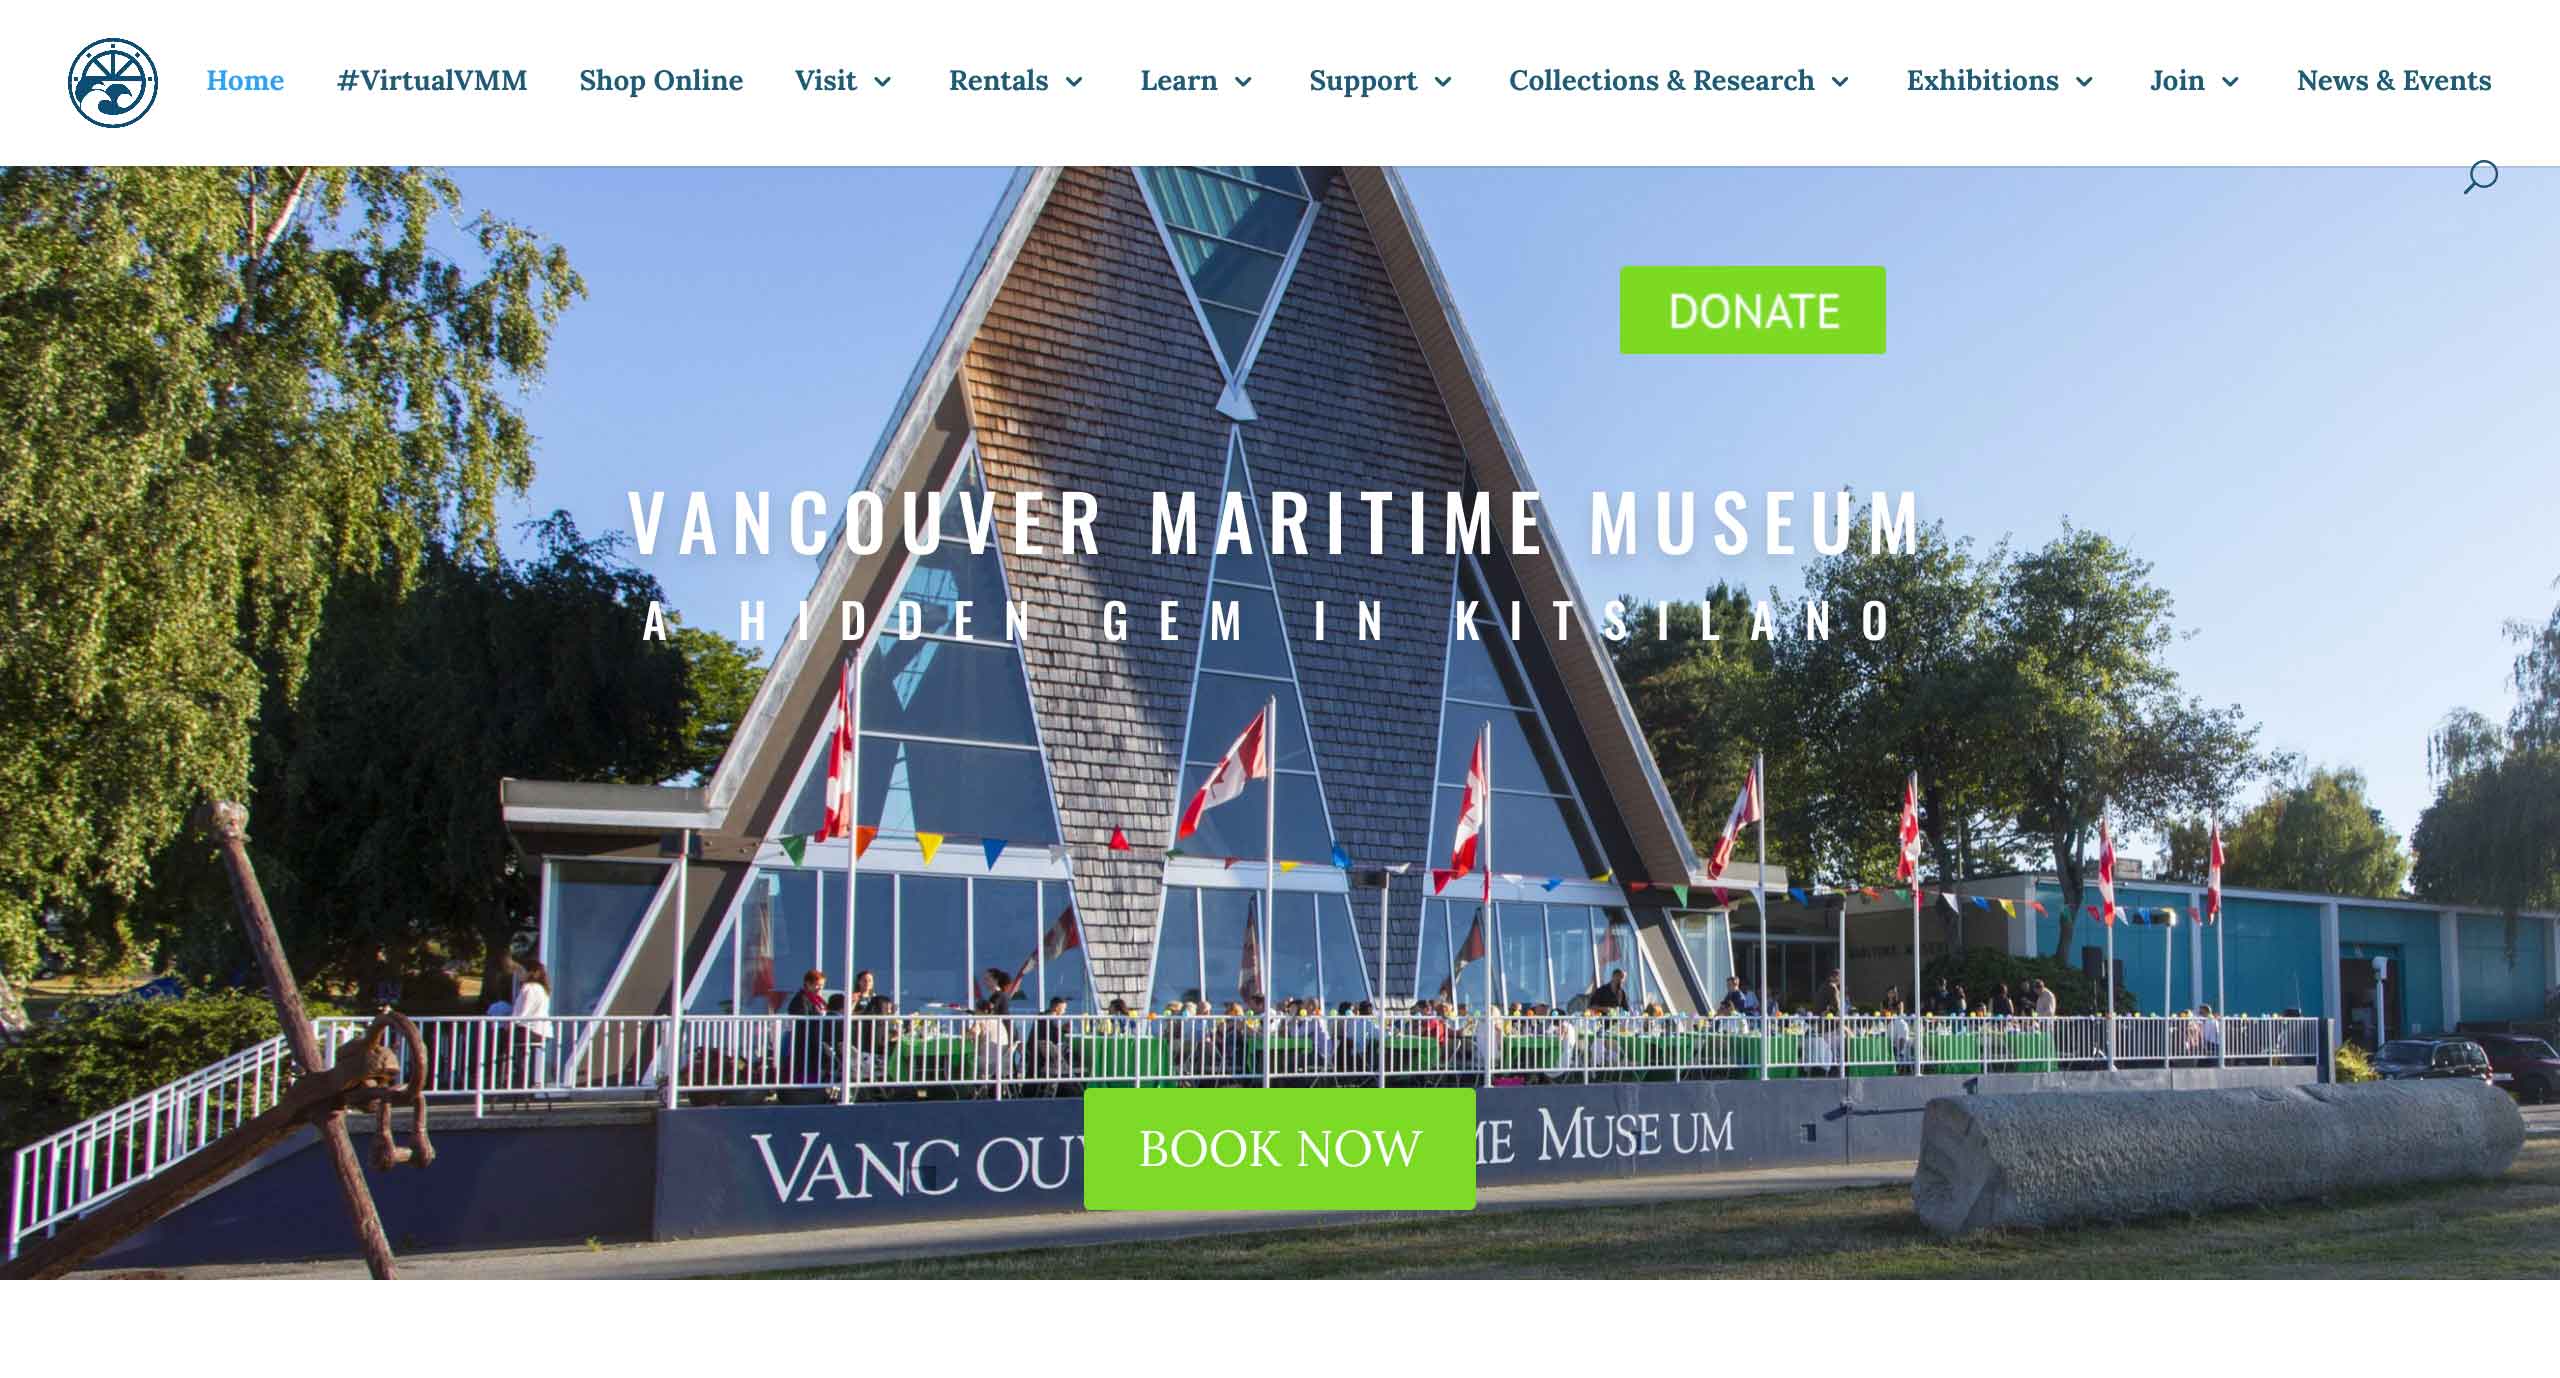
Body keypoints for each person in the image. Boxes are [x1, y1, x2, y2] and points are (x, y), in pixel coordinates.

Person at [512, 959, 552, 1090]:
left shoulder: (529, 988)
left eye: (521, 971)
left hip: (530, 1030)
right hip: (541, 1031)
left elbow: (524, 1012)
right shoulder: (543, 989)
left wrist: (512, 1023)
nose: (519, 974)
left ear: (530, 972)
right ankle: (528, 1081)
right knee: (529, 1057)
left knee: (500, 1042)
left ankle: (520, 1082)